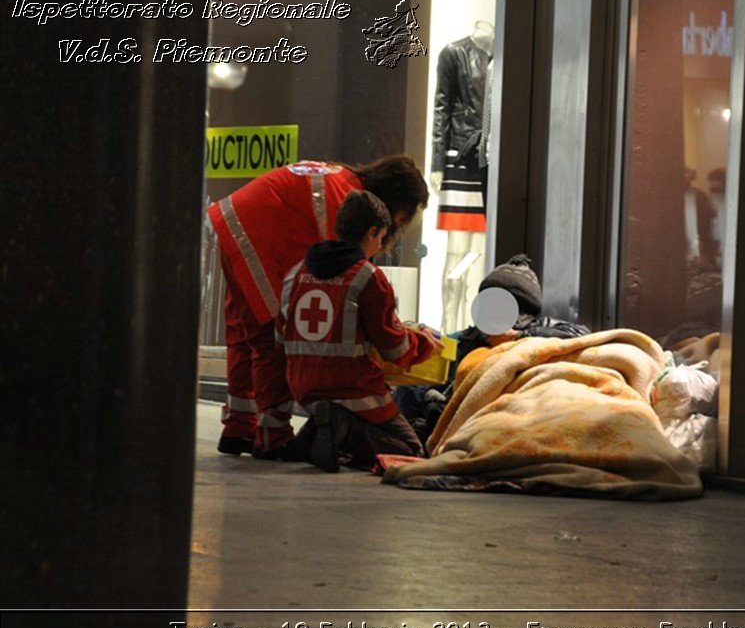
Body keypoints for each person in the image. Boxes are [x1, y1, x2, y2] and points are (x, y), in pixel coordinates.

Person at [208, 157, 428, 459]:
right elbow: (341, 289)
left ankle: (239, 425)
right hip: (256, 229)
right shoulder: (350, 205)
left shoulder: (342, 182)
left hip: (236, 220)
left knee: (243, 332)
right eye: (400, 219)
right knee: (269, 337)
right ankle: (274, 436)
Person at [277, 190, 441, 473]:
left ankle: (320, 431)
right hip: (355, 390)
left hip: (304, 387)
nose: (378, 247)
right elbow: (395, 349)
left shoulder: (296, 273)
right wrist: (425, 341)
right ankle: (343, 429)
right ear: (372, 232)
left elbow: (281, 337)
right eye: (380, 238)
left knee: (344, 422)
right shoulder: (368, 277)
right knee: (410, 450)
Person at [395, 253, 591, 444]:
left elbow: (582, 335)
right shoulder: (468, 339)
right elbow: (440, 354)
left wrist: (520, 337)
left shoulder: (542, 330)